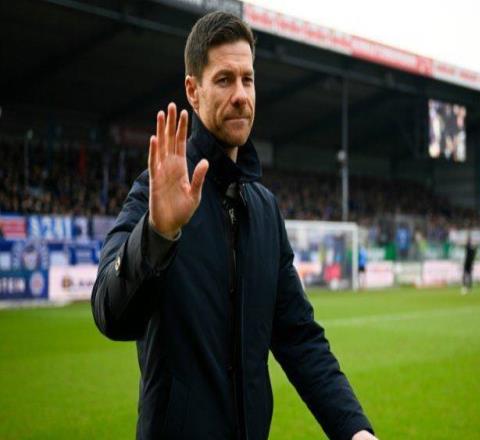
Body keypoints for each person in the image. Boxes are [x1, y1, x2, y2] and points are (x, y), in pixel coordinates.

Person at [91, 11, 376, 440]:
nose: (241, 95)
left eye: (248, 79)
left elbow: (299, 337)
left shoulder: (264, 210)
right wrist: (158, 234)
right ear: (193, 90)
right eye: (224, 80)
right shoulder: (157, 194)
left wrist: (354, 430)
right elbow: (109, 314)